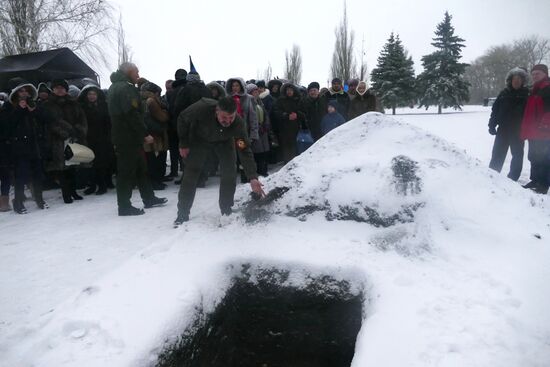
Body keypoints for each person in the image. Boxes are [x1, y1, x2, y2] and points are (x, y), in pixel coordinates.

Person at [174, 97, 266, 225]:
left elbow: (244, 149)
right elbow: (182, 118)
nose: (228, 121)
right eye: (224, 117)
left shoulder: (238, 123)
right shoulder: (202, 108)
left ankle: (226, 209)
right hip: (199, 139)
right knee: (191, 173)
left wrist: (252, 177)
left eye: (231, 117)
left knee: (229, 172)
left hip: (224, 142)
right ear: (217, 111)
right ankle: (182, 213)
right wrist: (183, 143)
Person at [107, 62, 167, 215]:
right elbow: (131, 114)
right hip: (128, 137)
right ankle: (124, 206)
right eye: (136, 72)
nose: (138, 75)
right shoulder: (125, 88)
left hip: (125, 136)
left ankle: (149, 198)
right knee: (127, 172)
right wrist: (144, 133)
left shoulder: (115, 86)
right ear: (128, 72)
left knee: (141, 169)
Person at [5, 82, 47, 213]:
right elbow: (7, 127)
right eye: (21, 91)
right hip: (19, 147)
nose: (24, 94)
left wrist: (34, 111)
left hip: (34, 145)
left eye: (26, 91)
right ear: (16, 93)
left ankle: (39, 199)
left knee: (37, 174)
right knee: (21, 176)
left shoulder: (34, 104)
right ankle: (18, 202)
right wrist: (19, 110)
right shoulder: (8, 107)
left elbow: (46, 119)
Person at [43, 79, 88, 204]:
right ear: (53, 90)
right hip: (58, 140)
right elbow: (50, 123)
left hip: (74, 138)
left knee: (73, 166)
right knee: (62, 168)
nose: (59, 90)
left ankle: (73, 191)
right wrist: (63, 132)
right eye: (57, 88)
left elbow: (82, 118)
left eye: (62, 88)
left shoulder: (74, 103)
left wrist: (79, 130)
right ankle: (66, 194)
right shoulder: (48, 105)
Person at [487, 68, 529, 181]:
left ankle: (512, 178)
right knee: (497, 153)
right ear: (510, 80)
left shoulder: (527, 94)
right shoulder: (503, 93)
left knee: (517, 155)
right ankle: (493, 175)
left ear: (523, 81)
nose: (517, 81)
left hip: (518, 130)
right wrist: (491, 125)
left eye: (519, 79)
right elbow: (495, 110)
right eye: (514, 79)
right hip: (503, 130)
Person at [78, 84, 115, 195]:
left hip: (104, 138)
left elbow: (109, 122)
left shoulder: (104, 106)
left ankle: (106, 182)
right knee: (93, 163)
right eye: (90, 94)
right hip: (89, 138)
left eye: (94, 94)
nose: (92, 96)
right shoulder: (82, 107)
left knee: (106, 161)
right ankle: (96, 184)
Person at [521, 64, 550, 194]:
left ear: (545, 74)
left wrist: (545, 125)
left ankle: (543, 184)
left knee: (544, 157)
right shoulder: (534, 90)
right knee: (533, 156)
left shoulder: (547, 88)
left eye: (537, 73)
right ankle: (535, 180)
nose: (534, 76)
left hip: (543, 132)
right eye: (533, 74)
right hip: (532, 131)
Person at [141, 81, 170, 190]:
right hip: (156, 134)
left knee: (150, 159)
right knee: (154, 159)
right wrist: (165, 112)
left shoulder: (141, 100)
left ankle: (154, 181)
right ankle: (155, 182)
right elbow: (163, 117)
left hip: (147, 133)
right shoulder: (151, 101)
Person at [273, 83, 306, 163]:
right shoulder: (280, 100)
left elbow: (305, 112)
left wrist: (297, 114)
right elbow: (276, 112)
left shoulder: (299, 100)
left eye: (291, 90)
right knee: (286, 147)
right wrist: (286, 115)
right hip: (284, 128)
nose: (289, 92)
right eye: (287, 90)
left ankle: (297, 162)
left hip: (297, 128)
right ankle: (287, 163)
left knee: (296, 146)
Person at [166, 69, 187, 178]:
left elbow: (169, 109)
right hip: (186, 124)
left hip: (173, 124)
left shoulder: (171, 92)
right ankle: (185, 171)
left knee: (175, 149)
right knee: (185, 148)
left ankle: (174, 171)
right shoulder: (189, 90)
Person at [247, 83, 272, 176]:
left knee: (265, 151)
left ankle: (264, 171)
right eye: (254, 91)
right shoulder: (248, 102)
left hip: (263, 130)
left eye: (257, 90)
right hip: (254, 130)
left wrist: (266, 125)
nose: (257, 92)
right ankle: (259, 171)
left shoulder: (260, 102)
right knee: (258, 152)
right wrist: (256, 126)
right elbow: (249, 117)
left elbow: (265, 114)